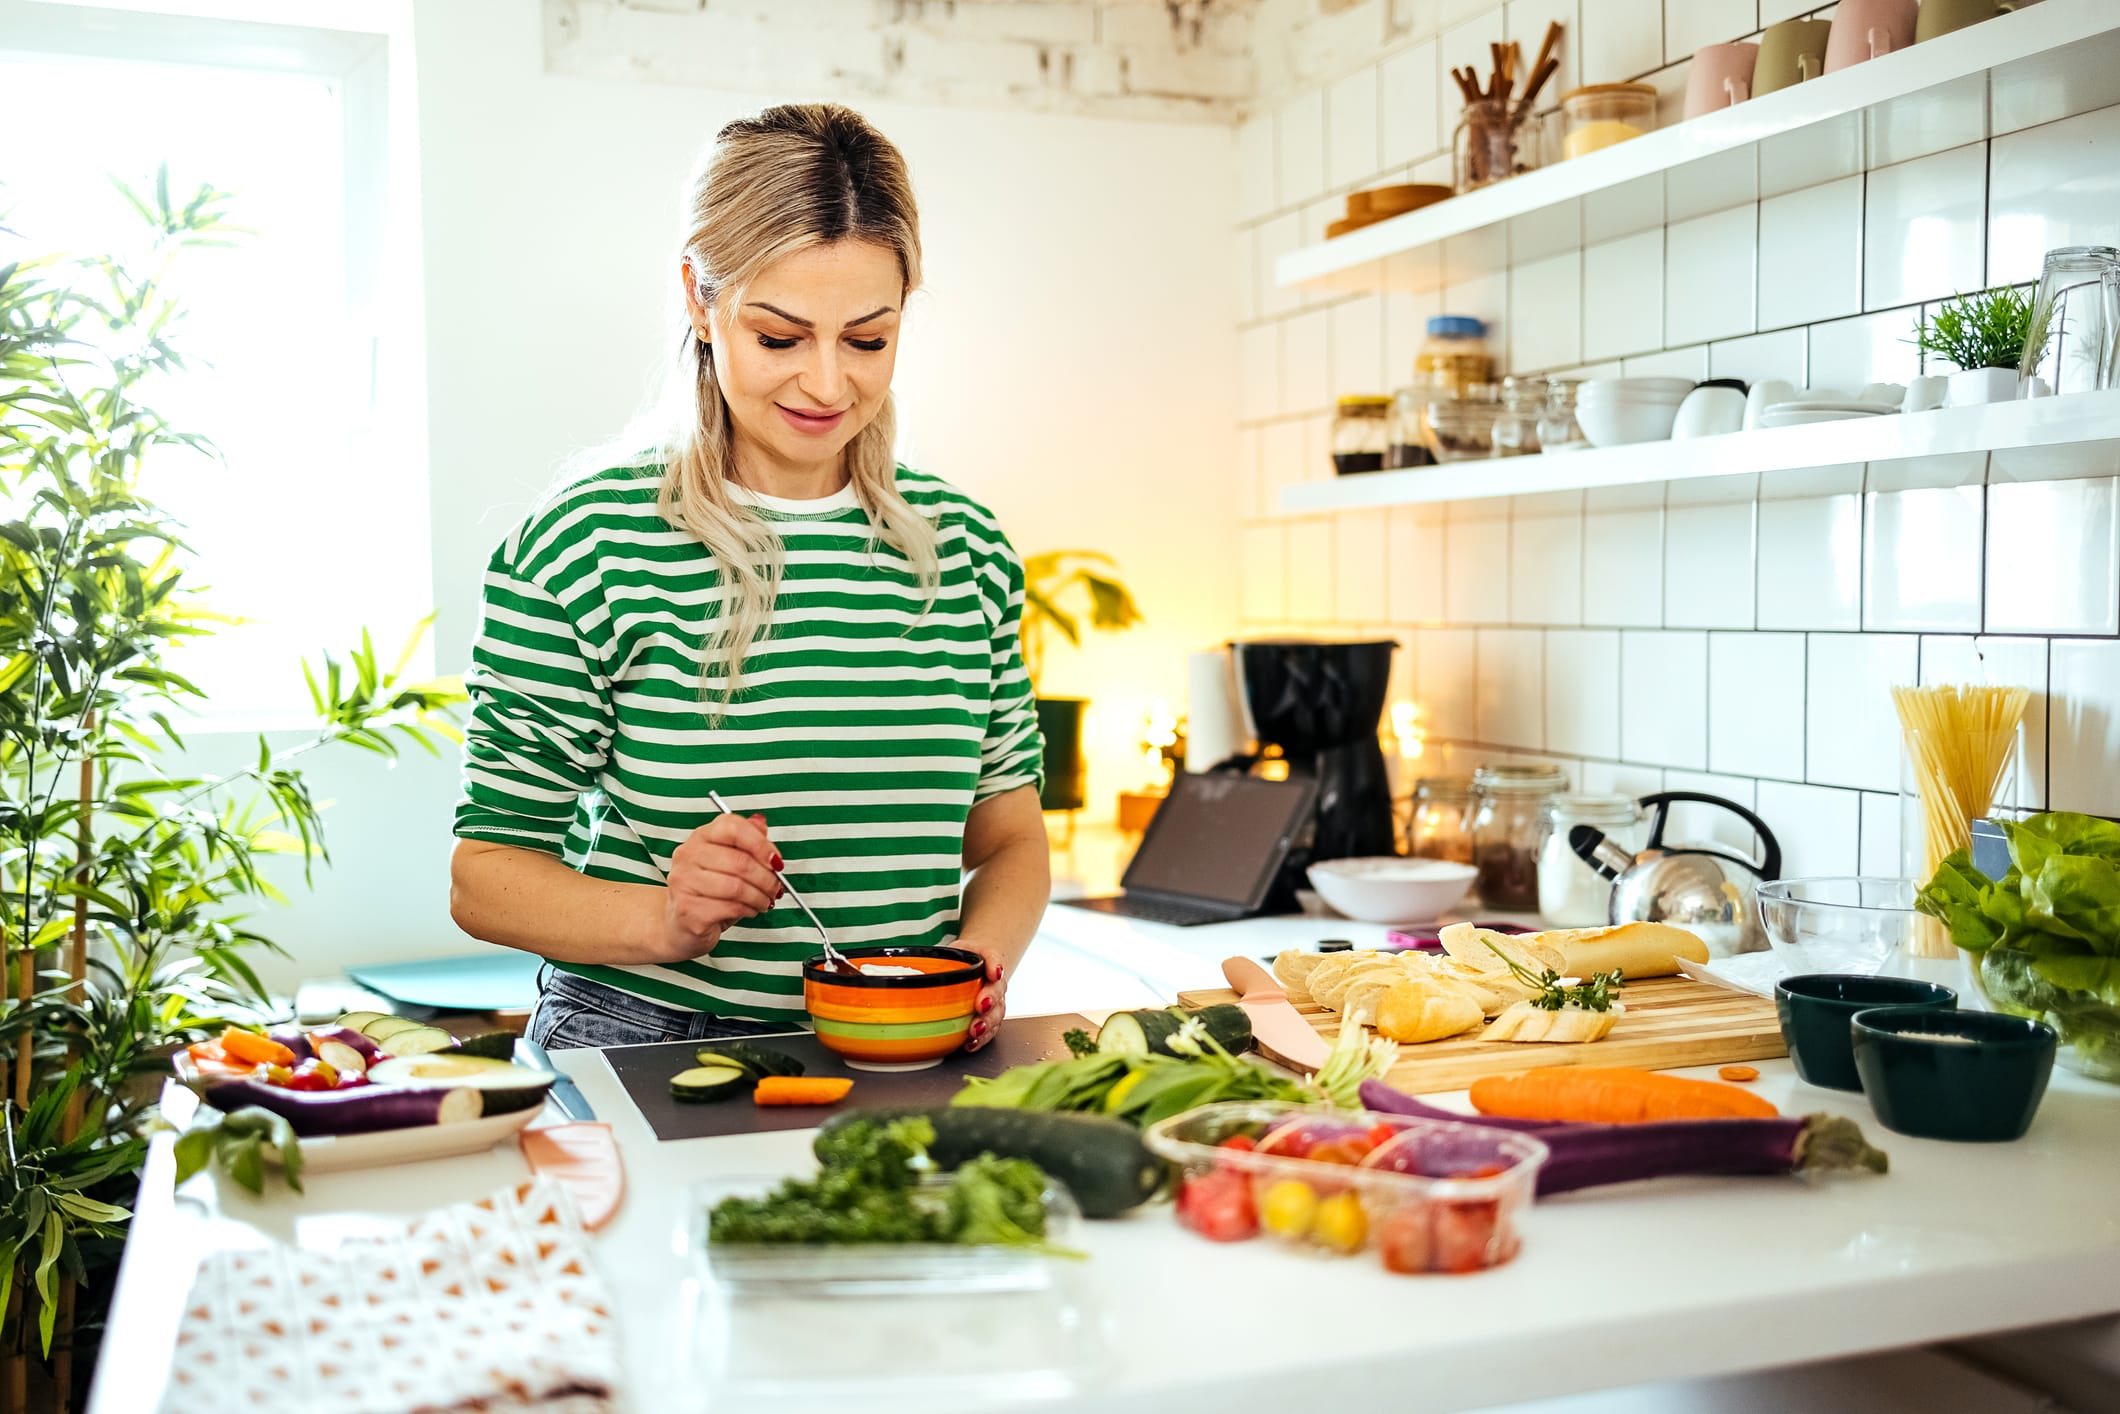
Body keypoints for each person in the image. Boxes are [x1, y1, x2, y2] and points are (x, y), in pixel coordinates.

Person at [448, 103, 1049, 1051]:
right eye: (779, 337)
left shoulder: (963, 547)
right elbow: (484, 875)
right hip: (646, 1031)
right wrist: (664, 917)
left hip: (907, 1037)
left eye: (868, 339)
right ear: (699, 297)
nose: (825, 384)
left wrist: (976, 967)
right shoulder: (588, 543)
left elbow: (1010, 839)